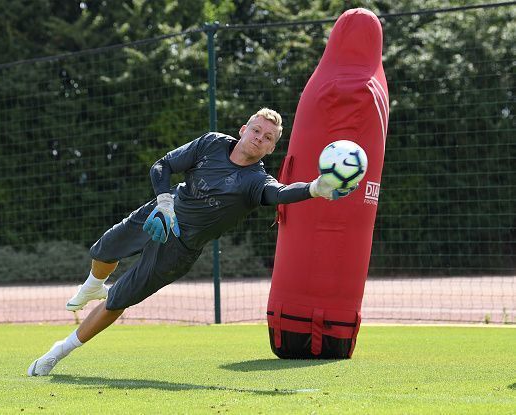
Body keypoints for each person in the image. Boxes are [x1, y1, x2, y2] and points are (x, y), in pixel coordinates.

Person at [27, 108, 354, 376]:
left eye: (268, 138)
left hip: (180, 249)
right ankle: (93, 284)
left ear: (271, 148)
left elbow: (278, 193)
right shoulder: (212, 143)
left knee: (119, 300)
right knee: (104, 248)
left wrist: (313, 189)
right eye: (256, 130)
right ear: (243, 129)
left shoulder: (256, 180)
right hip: (161, 214)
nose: (259, 138)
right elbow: (162, 166)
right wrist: (165, 202)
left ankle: (59, 351)